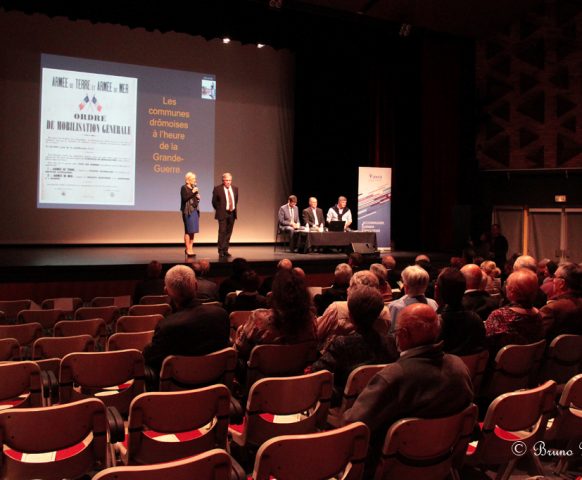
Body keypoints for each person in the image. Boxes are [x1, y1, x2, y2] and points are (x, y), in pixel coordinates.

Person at [342, 303, 473, 475]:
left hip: (392, 468)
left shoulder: (393, 376)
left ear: (403, 335)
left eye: (396, 332)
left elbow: (352, 425)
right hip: (442, 461)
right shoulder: (459, 366)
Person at [310, 285, 398, 405]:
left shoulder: (342, 344)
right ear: (378, 315)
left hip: (346, 406)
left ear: (350, 316)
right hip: (380, 402)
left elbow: (317, 372)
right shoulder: (391, 342)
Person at [143, 264, 230, 376]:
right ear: (196, 286)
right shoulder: (221, 314)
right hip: (216, 384)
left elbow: (150, 358)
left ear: (166, 291)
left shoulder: (166, 327)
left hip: (177, 389)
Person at [234, 269, 317, 371]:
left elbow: (241, 349)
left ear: (276, 293)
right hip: (296, 378)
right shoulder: (311, 320)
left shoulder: (259, 318)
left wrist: (239, 334)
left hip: (260, 379)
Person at [485, 269, 544, 358]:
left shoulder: (499, 316)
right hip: (530, 366)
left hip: (502, 367)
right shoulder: (539, 315)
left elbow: (486, 345)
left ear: (512, 291)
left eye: (507, 285)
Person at [436, 267, 486, 356]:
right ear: (464, 289)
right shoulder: (476, 319)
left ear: (438, 292)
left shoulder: (436, 325)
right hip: (473, 369)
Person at [388, 265, 438, 332]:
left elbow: (393, 333)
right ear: (426, 286)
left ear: (405, 287)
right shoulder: (433, 304)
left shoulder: (396, 306)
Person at [540, 262, 582, 340]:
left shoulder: (551, 309)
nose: (553, 280)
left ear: (562, 283)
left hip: (553, 352)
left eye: (555, 277)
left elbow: (537, 337)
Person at [212, 172, 238, 258]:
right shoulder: (217, 189)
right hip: (223, 213)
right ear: (223, 180)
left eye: (230, 180)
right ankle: (220, 250)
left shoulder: (235, 188)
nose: (228, 182)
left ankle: (226, 249)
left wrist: (232, 208)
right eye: (226, 180)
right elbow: (214, 202)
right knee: (222, 232)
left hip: (232, 213)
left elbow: (236, 200)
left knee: (228, 232)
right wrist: (220, 210)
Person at [181, 171, 200, 257]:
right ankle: (187, 249)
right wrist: (193, 192)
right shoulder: (184, 188)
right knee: (188, 231)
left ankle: (191, 248)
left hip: (194, 210)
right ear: (188, 180)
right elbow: (185, 198)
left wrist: (198, 198)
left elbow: (194, 201)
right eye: (193, 179)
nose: (195, 180)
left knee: (193, 231)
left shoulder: (193, 188)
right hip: (187, 211)